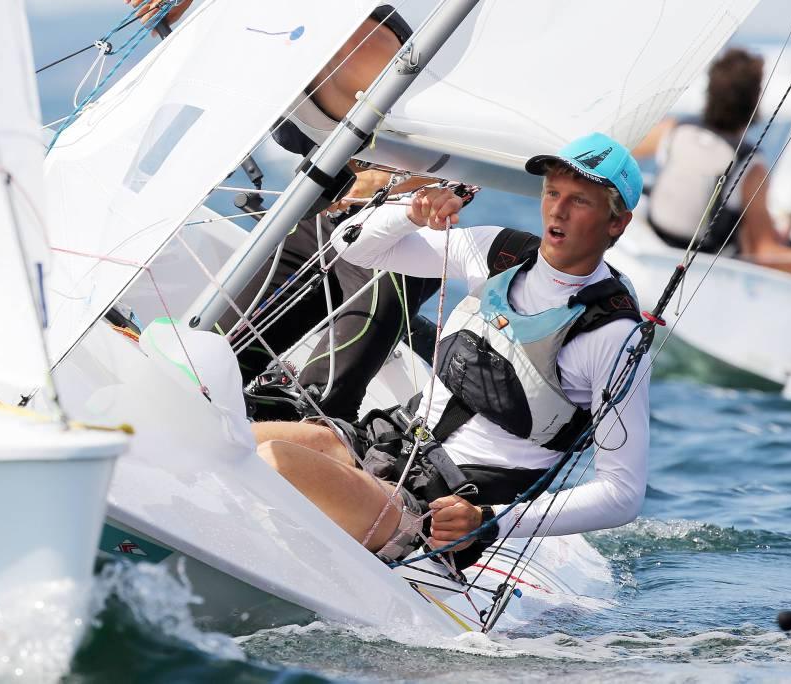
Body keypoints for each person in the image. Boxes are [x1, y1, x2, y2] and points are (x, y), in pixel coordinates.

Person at [251, 132, 651, 565]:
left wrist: (489, 520)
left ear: (617, 223)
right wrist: (413, 210)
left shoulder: (613, 338)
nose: (557, 209)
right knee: (229, 438)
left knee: (273, 461)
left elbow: (622, 494)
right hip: (383, 444)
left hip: (438, 510)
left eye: (580, 201)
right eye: (553, 192)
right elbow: (351, 244)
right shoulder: (499, 253)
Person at [128, 0, 443, 422]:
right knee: (207, 358)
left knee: (321, 403)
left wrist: (384, 190)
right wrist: (182, 20)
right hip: (323, 211)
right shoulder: (257, 37)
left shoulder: (358, 40)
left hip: (402, 228)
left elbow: (448, 154)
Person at [634, 48, 791, 289]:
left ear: (711, 91)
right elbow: (765, 253)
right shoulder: (751, 167)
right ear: (753, 101)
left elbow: (624, 151)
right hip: (699, 272)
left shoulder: (674, 130)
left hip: (651, 250)